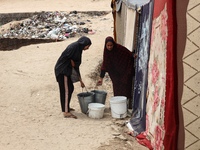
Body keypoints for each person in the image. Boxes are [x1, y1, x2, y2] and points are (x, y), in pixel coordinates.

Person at [55, 36, 92, 119]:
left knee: (70, 88)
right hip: (62, 71)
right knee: (66, 91)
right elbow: (67, 57)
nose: (87, 48)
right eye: (88, 46)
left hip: (66, 71)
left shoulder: (78, 49)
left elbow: (76, 67)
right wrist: (71, 61)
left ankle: (66, 107)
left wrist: (80, 80)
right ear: (84, 44)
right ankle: (66, 112)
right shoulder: (73, 47)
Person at [97, 36, 136, 109]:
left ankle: (125, 106)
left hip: (124, 72)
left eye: (111, 45)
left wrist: (133, 55)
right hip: (114, 74)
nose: (109, 47)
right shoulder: (106, 53)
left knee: (126, 88)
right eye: (108, 45)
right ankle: (118, 106)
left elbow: (128, 53)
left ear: (113, 44)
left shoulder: (119, 48)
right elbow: (105, 64)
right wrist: (101, 78)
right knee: (117, 89)